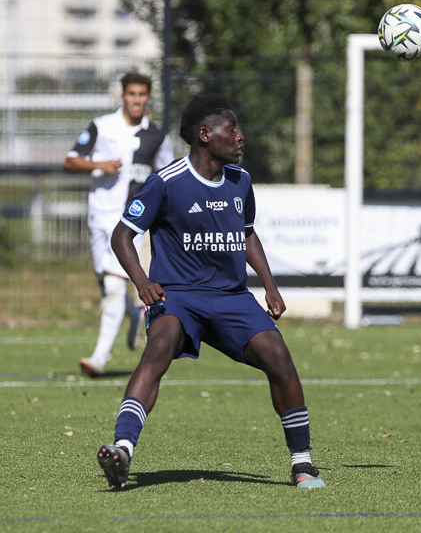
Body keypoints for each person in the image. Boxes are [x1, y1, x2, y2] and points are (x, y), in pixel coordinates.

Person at [95, 94, 325, 489]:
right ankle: (122, 449)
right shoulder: (166, 182)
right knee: (159, 346)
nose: (240, 136)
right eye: (231, 129)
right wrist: (142, 281)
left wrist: (270, 285)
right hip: (178, 295)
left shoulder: (241, 180)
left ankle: (302, 464)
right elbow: (121, 236)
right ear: (205, 135)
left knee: (278, 357)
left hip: (232, 297)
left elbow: (247, 233)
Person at [64, 72, 173, 377]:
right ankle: (135, 316)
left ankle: (98, 358)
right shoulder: (102, 126)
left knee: (113, 285)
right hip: (99, 215)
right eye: (131, 94)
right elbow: (71, 160)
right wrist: (100, 165)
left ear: (148, 97)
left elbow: (166, 175)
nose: (137, 100)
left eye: (142, 94)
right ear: (122, 96)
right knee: (105, 281)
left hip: (130, 222)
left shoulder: (158, 135)